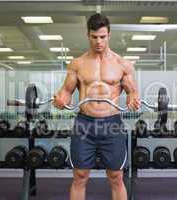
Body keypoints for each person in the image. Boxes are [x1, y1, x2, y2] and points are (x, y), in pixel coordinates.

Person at [53, 13, 140, 200]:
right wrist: (61, 100)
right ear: (88, 35)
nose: (98, 41)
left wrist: (132, 98)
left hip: (112, 124)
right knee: (80, 176)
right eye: (94, 37)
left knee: (116, 176)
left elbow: (133, 92)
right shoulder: (78, 64)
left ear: (109, 35)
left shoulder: (123, 64)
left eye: (102, 37)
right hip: (85, 124)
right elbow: (66, 93)